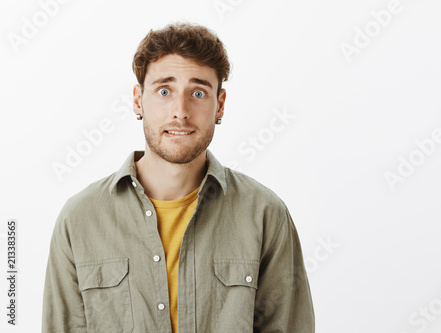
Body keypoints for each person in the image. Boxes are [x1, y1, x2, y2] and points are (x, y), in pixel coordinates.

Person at [42, 22, 315, 333]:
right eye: (164, 90)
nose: (180, 111)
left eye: (198, 92)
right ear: (137, 100)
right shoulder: (80, 219)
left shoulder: (265, 214)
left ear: (219, 104)